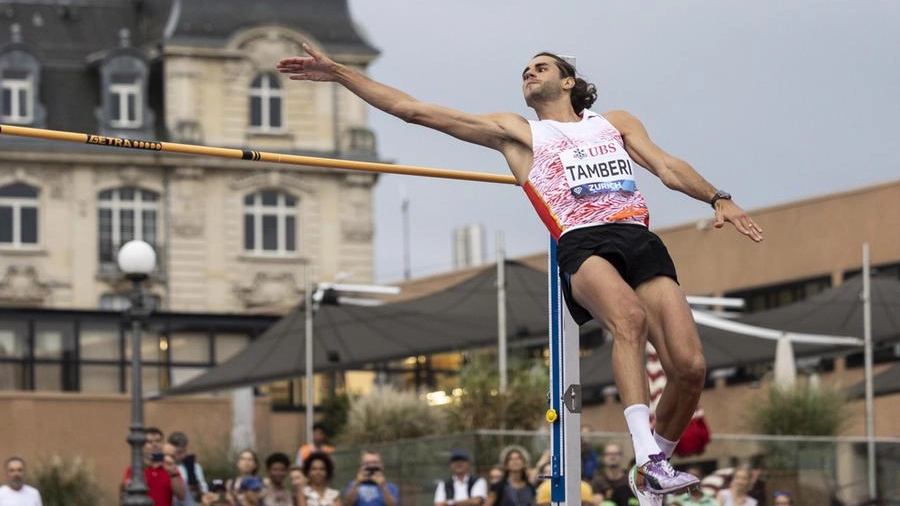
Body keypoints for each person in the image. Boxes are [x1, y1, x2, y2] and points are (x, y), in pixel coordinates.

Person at [277, 45, 764, 504]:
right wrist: (341, 74)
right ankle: (648, 455)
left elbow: (665, 166)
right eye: (524, 72)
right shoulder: (519, 133)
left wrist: (716, 197)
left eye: (540, 67)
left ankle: (652, 467)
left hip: (637, 237)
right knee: (629, 321)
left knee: (690, 368)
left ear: (569, 81)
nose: (529, 74)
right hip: (582, 241)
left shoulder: (615, 123)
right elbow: (415, 109)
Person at [122, 427, 187, 506]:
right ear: (142, 446)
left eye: (158, 441)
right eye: (149, 442)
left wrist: (173, 474)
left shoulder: (170, 466)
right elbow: (127, 493)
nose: (154, 444)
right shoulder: (135, 469)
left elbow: (181, 496)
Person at [169, 431, 209, 505]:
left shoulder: (194, 467)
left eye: (184, 451)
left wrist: (196, 487)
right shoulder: (166, 466)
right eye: (179, 452)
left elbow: (203, 492)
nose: (183, 455)